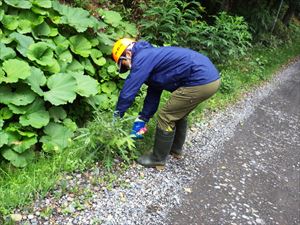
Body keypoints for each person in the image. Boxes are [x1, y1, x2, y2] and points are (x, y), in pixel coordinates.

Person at [112, 38, 220, 168]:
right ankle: (175, 150)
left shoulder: (142, 58)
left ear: (128, 54)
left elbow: (128, 91)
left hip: (201, 80)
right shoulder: (151, 56)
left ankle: (157, 158)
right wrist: (143, 118)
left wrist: (116, 116)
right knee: (178, 112)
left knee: (166, 115)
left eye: (124, 64)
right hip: (210, 78)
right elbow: (154, 92)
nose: (127, 68)